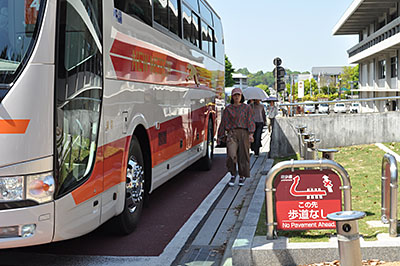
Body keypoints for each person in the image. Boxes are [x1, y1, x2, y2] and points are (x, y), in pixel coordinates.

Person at [217, 88, 255, 187]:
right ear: (232, 97)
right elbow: (223, 122)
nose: (237, 97)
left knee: (243, 155)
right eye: (235, 95)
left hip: (244, 133)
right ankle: (233, 174)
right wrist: (220, 136)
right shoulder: (228, 109)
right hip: (232, 133)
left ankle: (242, 175)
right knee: (231, 155)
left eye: (238, 95)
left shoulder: (247, 108)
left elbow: (250, 120)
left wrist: (251, 134)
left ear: (242, 96)